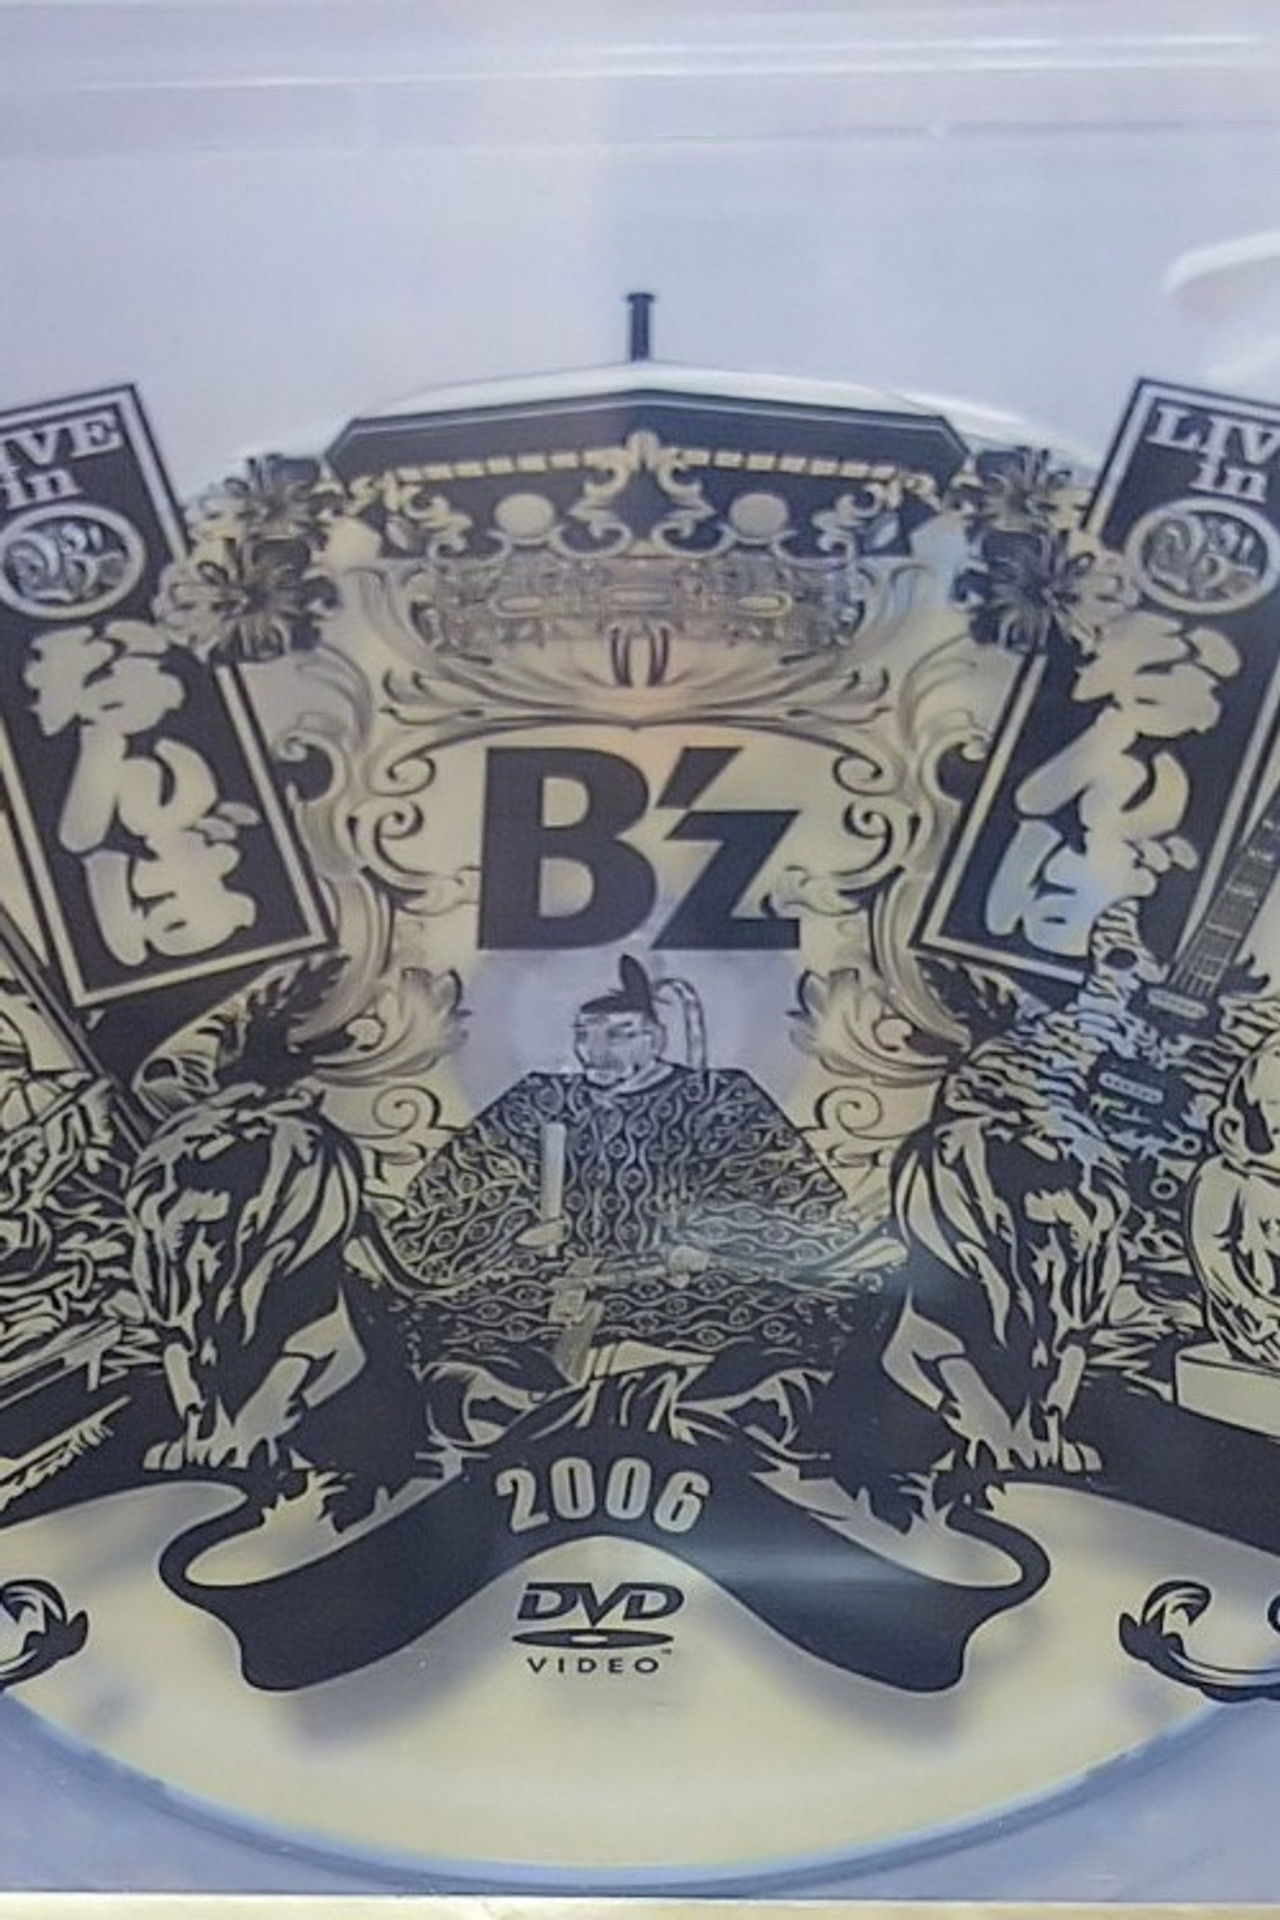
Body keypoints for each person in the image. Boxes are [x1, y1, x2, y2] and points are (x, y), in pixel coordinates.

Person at [389, 957, 868, 1384]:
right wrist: (516, 1228)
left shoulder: (721, 1098)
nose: (596, 1051)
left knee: (786, 1326)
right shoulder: (542, 1098)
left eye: (619, 1034)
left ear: (656, 1037)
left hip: (681, 1284)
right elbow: (460, 1186)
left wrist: (710, 1234)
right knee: (442, 1324)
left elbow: (798, 1202)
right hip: (554, 1281)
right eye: (584, 1033)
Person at [1188, 1031, 1280, 1368]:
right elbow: (1213, 1252)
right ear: (1232, 1131)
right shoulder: (1225, 1180)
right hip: (1253, 1317)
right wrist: (1248, 1308)